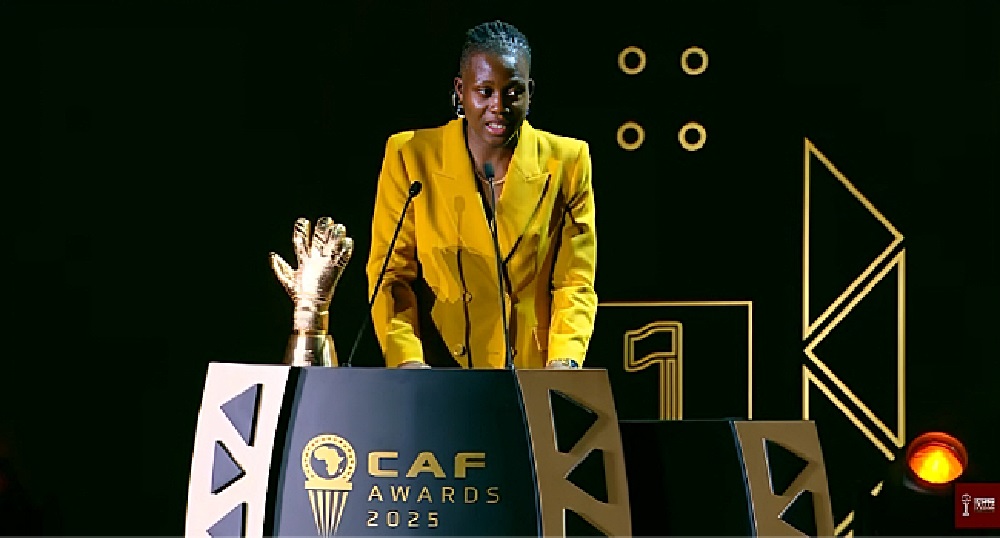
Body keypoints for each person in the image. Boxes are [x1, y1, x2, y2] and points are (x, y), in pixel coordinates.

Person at [366, 20, 597, 370]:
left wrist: (564, 362)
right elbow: (391, 276)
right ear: (461, 91)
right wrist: (407, 362)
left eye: (513, 92)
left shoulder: (567, 161)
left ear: (530, 92)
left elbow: (574, 282)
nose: (498, 105)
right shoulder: (410, 156)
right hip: (439, 372)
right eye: (485, 91)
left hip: (531, 373)